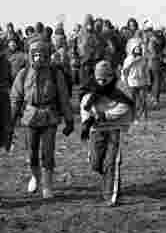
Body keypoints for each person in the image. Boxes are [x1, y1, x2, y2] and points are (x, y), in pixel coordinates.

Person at [10, 39, 74, 198]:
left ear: (47, 55)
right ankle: (35, 177)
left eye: (42, 54)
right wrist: (10, 122)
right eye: (35, 55)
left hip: (49, 116)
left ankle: (47, 185)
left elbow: (64, 98)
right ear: (31, 56)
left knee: (48, 151)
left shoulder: (55, 73)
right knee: (31, 152)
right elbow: (16, 98)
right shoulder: (23, 74)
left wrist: (69, 119)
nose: (38, 58)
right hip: (31, 116)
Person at [80, 61, 135, 206]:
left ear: (112, 76)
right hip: (96, 129)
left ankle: (110, 195)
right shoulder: (90, 87)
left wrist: (106, 115)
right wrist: (87, 121)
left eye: (105, 78)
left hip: (114, 127)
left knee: (111, 162)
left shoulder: (120, 86)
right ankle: (108, 176)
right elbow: (85, 105)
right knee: (96, 163)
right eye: (99, 79)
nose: (102, 82)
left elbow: (125, 105)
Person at [121, 38, 151, 121]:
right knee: (133, 102)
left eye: (139, 48)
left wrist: (148, 81)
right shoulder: (128, 59)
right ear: (132, 49)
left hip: (142, 82)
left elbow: (146, 70)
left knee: (143, 100)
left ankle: (143, 116)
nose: (138, 49)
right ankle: (134, 117)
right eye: (136, 48)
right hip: (132, 82)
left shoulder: (143, 59)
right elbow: (124, 71)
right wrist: (125, 81)